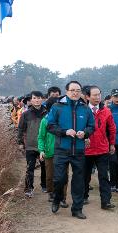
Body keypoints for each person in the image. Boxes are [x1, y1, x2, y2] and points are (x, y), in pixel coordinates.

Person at [47, 81, 95, 219]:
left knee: (79, 181)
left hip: (79, 150)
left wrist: (84, 133)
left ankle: (77, 209)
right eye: (72, 90)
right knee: (59, 179)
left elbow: (92, 127)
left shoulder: (85, 109)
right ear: (66, 91)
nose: (75, 93)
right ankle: (57, 198)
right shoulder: (57, 107)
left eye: (78, 90)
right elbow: (50, 126)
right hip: (62, 149)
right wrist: (64, 131)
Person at [83, 86, 116, 210]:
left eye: (99, 95)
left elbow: (112, 128)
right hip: (87, 149)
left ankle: (106, 201)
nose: (97, 97)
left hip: (102, 149)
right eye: (94, 95)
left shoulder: (106, 111)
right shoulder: (83, 110)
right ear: (87, 97)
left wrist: (112, 144)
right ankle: (83, 196)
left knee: (103, 176)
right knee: (85, 175)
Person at [38, 96, 69, 208]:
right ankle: (51, 193)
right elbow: (41, 137)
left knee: (64, 176)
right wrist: (41, 150)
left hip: (64, 151)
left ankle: (62, 198)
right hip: (49, 152)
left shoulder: (66, 120)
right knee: (50, 175)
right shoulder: (45, 121)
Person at [18, 91, 48, 197]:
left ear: (43, 99)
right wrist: (20, 142)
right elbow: (20, 129)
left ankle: (44, 185)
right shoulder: (26, 114)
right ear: (31, 100)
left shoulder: (47, 113)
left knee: (45, 167)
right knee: (30, 168)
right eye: (34, 98)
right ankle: (29, 188)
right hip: (30, 145)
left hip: (44, 146)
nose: (37, 100)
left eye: (39, 98)